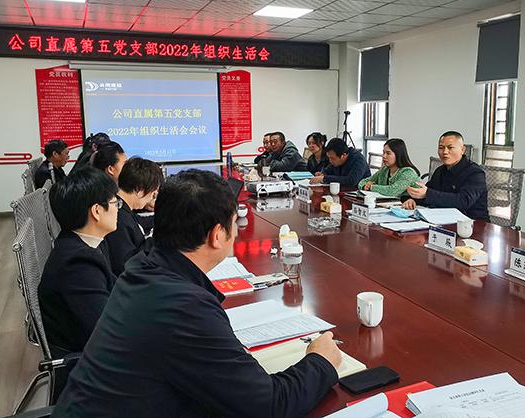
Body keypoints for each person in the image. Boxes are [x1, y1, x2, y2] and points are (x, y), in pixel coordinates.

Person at [53, 170, 341, 418]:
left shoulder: (145, 266)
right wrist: (320, 361)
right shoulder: (181, 306)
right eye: (233, 223)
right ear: (217, 235)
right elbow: (269, 406)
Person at [38, 166, 119, 356]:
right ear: (97, 211)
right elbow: (108, 332)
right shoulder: (78, 264)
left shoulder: (83, 242)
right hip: (87, 361)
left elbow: (116, 287)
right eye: (115, 203)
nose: (118, 210)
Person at [403, 131, 489, 220]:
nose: (445, 152)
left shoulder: (475, 173)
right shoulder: (440, 171)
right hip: (443, 219)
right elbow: (428, 192)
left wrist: (427, 194)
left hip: (472, 223)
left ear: (462, 150)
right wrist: (413, 200)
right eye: (441, 148)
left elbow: (463, 201)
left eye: (450, 147)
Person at [104, 157, 163, 276]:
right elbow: (126, 265)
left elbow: (140, 222)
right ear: (139, 190)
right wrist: (154, 239)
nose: (151, 199)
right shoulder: (118, 218)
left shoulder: (123, 209)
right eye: (153, 194)